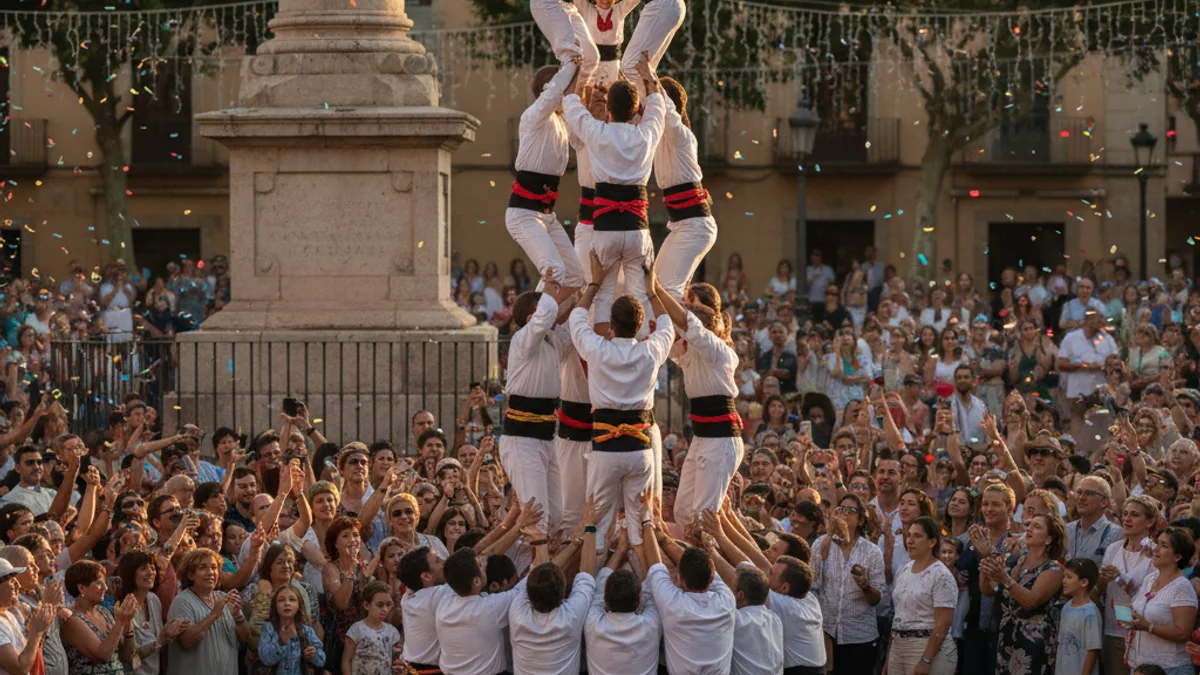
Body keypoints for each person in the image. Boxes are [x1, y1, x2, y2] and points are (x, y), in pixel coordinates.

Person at [568, 258, 674, 547]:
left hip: (605, 451)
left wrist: (595, 283)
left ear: (611, 323)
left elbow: (577, 317)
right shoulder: (650, 350)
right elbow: (666, 325)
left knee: (598, 528)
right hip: (640, 451)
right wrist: (651, 291)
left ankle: (594, 585)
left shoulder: (597, 349)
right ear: (640, 326)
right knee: (641, 526)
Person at [563, 52, 665, 330]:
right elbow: (657, 103)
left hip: (604, 229)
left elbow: (570, 102)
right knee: (640, 297)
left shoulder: (596, 132)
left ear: (608, 108)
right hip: (637, 230)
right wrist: (647, 72)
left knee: (604, 296)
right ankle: (642, 363)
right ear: (635, 111)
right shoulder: (646, 134)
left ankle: (601, 360)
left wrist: (579, 71)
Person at [656, 274, 742, 528]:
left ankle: (713, 567)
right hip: (702, 438)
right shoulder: (690, 351)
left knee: (702, 520)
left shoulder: (719, 350)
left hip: (721, 439)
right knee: (683, 514)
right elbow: (667, 338)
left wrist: (657, 287)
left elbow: (686, 322)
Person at [497, 278, 575, 534]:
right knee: (537, 515)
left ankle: (547, 567)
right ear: (533, 316)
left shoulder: (552, 341)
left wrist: (589, 288)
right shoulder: (523, 339)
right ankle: (535, 568)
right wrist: (551, 292)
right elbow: (547, 316)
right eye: (543, 308)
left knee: (557, 516)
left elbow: (572, 324)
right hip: (522, 439)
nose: (551, 313)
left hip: (546, 437)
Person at [504, 61, 586, 294]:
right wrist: (571, 65)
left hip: (547, 216)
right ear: (549, 88)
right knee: (555, 270)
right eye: (566, 88)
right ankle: (535, 325)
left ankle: (546, 320)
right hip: (524, 214)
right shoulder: (534, 116)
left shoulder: (561, 122)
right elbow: (552, 96)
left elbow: (581, 141)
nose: (571, 92)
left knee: (575, 276)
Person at [643, 503, 737, 674]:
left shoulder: (673, 603)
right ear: (711, 578)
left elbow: (655, 565)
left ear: (679, 579)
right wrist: (661, 536)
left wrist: (647, 523)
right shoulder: (727, 600)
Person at [651, 77, 717, 302]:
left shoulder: (681, 136)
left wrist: (650, 81)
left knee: (669, 290)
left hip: (695, 227)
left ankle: (681, 337)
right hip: (683, 225)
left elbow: (668, 114)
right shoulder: (660, 136)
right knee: (654, 286)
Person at [980, 512, 1066, 675]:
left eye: (1037, 526)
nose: (1029, 528)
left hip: (1033, 640)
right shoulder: (1014, 560)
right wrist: (986, 558)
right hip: (1006, 635)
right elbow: (989, 590)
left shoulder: (1053, 568)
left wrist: (1005, 578)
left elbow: (1031, 601)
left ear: (1049, 538)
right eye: (1029, 525)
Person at [812, 493, 885, 675]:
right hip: (827, 633)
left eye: (851, 510)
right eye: (841, 509)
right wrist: (829, 538)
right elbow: (814, 585)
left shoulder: (872, 551)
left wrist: (866, 586)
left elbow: (878, 599)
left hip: (860, 636)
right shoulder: (821, 543)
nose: (844, 514)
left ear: (860, 520)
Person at [886, 516, 957, 675]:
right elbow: (899, 615)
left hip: (926, 648)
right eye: (909, 535)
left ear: (932, 542)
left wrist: (926, 660)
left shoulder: (941, 575)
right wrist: (889, 657)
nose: (910, 540)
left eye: (917, 536)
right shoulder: (904, 570)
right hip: (898, 647)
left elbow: (942, 626)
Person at [1098, 495, 1159, 675]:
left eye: (1134, 515)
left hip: (1141, 634)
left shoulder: (1155, 553)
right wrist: (1103, 579)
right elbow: (1102, 589)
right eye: (1125, 514)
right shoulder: (1113, 548)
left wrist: (1119, 578)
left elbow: (1153, 594)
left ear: (1150, 522)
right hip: (1113, 630)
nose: (1126, 519)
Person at [1124, 527, 1198, 675]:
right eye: (1157, 543)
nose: (1156, 549)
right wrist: (1128, 616)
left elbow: (1183, 633)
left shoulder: (1182, 587)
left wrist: (1148, 627)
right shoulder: (1150, 578)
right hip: (1141, 666)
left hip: (1170, 668)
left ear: (1177, 556)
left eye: (1164, 546)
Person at [166, 549, 250, 675]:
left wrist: (238, 617)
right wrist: (213, 615)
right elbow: (186, 642)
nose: (210, 572)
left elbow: (245, 638)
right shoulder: (182, 601)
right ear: (191, 575)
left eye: (214, 567)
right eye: (203, 568)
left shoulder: (225, 598)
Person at [115, 551, 189, 675]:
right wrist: (160, 640)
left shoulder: (153, 599)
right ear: (130, 573)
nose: (151, 573)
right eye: (143, 569)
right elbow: (129, 657)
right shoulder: (122, 607)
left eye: (152, 568)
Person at [61, 559, 140, 674]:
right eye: (99, 583)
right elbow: (102, 655)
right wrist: (120, 622)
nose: (105, 588)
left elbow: (127, 656)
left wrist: (128, 625)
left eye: (104, 582)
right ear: (81, 588)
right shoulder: (71, 619)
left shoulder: (104, 612)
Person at [258, 585, 325, 675]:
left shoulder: (306, 631)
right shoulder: (268, 628)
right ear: (275, 606)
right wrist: (281, 642)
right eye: (281, 600)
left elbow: (321, 660)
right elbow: (265, 659)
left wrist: (313, 654)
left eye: (292, 599)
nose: (287, 603)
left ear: (299, 605)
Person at [342, 581, 400, 675]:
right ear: (366, 605)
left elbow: (396, 662)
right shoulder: (356, 630)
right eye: (379, 605)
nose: (385, 609)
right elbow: (346, 661)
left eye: (388, 605)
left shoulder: (392, 632)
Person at [1057, 558, 1102, 675]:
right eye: (1064, 576)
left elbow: (1093, 650)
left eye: (1069, 577)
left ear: (1084, 582)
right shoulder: (1066, 607)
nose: (1064, 581)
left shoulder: (1090, 612)